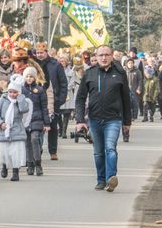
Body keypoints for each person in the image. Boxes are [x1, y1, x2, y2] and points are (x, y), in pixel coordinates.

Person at [73, 45, 131, 192]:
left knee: (110, 148)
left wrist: (127, 122)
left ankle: (111, 177)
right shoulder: (90, 74)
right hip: (94, 119)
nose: (104, 58)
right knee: (98, 151)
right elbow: (80, 99)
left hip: (113, 119)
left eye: (106, 55)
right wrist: (80, 121)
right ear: (96, 57)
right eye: (101, 55)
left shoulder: (120, 73)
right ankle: (101, 179)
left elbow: (126, 99)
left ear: (112, 56)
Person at [32, 41, 68, 160]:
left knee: (52, 126)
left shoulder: (55, 64)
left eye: (41, 52)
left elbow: (63, 83)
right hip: (36, 99)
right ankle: (38, 149)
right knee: (38, 126)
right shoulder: (33, 64)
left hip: (52, 99)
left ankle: (53, 151)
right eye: (37, 52)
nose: (39, 55)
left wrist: (60, 99)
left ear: (46, 52)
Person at [0, 75, 31, 181]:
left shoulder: (21, 100)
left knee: (15, 152)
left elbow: (24, 110)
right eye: (10, 92)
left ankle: (15, 172)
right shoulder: (2, 100)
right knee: (5, 151)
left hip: (17, 129)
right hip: (5, 129)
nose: (12, 94)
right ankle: (4, 166)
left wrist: (20, 98)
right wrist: (0, 123)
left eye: (15, 92)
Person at [22, 66, 49, 176]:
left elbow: (44, 107)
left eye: (31, 77)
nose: (29, 78)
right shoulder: (21, 90)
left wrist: (47, 123)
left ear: (34, 77)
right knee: (27, 143)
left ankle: (38, 163)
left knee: (34, 139)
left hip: (37, 119)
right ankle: (30, 164)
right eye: (27, 76)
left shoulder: (40, 89)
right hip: (25, 120)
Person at [123, 57, 142, 142]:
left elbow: (140, 81)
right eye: (129, 63)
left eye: (131, 63)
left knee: (135, 104)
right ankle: (125, 133)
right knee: (127, 107)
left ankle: (134, 116)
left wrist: (139, 88)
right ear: (126, 64)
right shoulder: (124, 71)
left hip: (134, 91)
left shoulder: (137, 71)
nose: (130, 64)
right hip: (126, 92)